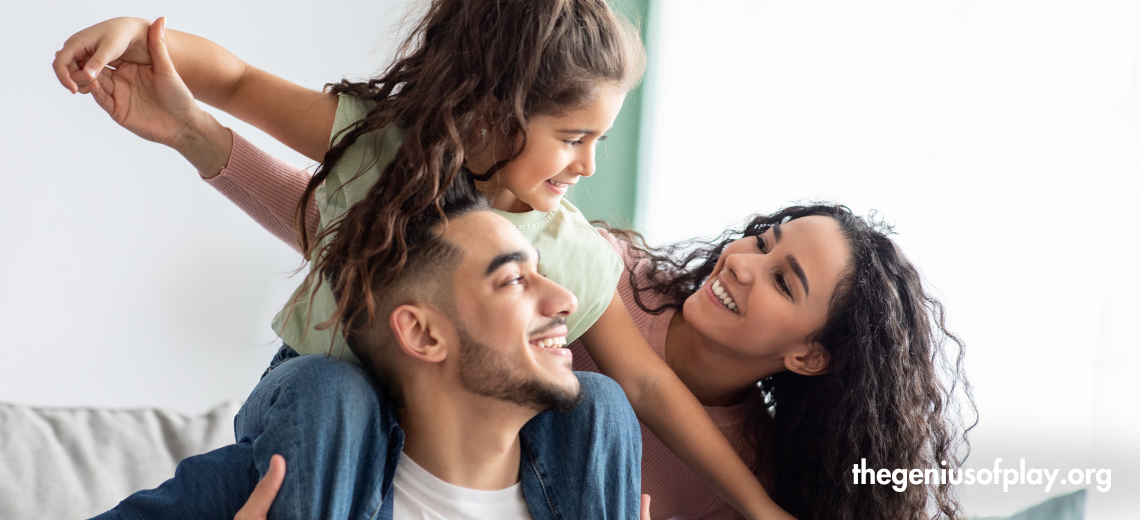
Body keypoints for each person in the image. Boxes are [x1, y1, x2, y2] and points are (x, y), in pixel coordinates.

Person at [55, 4, 791, 519]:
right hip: (321, 410)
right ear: (492, 112)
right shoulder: (386, 149)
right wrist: (140, 42)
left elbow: (647, 385)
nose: (590, 164)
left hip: (469, 440)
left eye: (600, 139)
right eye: (572, 136)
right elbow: (244, 85)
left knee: (598, 405)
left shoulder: (571, 251)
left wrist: (760, 505)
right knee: (331, 389)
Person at [96, 188, 648, 519]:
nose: (565, 299)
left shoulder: (587, 480)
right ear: (423, 335)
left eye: (541, 274)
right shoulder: (285, 477)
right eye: (512, 281)